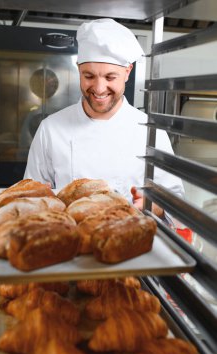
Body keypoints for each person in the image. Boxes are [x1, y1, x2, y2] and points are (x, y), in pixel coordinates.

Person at [24, 18, 184, 217]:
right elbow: (30, 198)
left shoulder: (150, 131)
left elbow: (175, 201)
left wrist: (154, 205)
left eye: (110, 77)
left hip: (128, 240)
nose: (99, 89)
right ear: (78, 69)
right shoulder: (50, 129)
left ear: (127, 72)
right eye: (89, 76)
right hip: (71, 241)